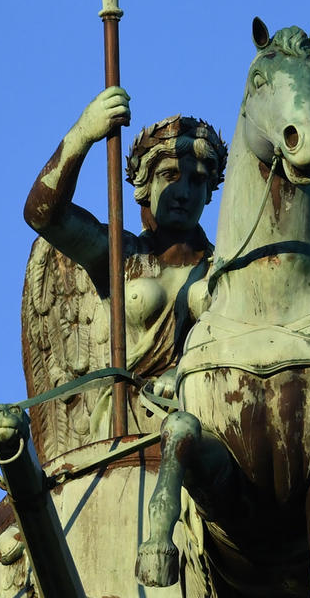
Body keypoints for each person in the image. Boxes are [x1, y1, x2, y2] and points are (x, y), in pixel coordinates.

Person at [20, 86, 227, 455]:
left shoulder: (226, 268)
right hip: (127, 428)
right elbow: (43, 214)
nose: (184, 191)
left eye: (197, 180)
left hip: (205, 430)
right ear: (144, 186)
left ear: (210, 192)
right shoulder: (120, 255)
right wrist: (84, 132)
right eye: (170, 175)